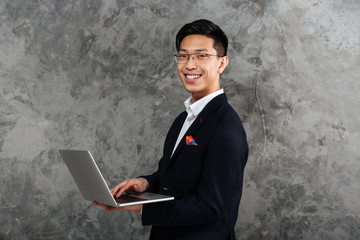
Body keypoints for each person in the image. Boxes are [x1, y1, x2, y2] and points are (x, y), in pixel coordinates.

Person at [93, 19, 249, 240]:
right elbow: (177, 179)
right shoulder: (184, 118)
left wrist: (142, 208)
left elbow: (210, 207)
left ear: (222, 63)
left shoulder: (225, 129)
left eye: (201, 56)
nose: (190, 65)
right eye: (183, 55)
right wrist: (145, 183)